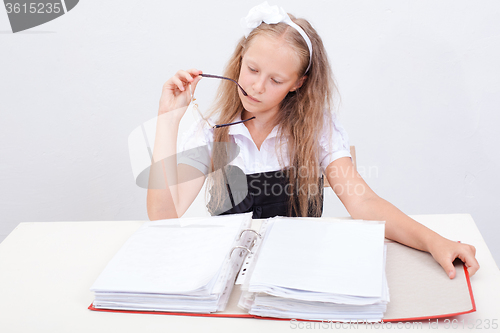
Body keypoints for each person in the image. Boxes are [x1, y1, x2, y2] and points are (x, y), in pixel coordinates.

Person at [146, 2, 479, 279]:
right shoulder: (212, 131)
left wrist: (434, 241)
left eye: (276, 79)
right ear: (239, 60)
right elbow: (162, 216)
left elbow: (364, 203)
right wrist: (168, 119)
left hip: (298, 274)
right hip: (229, 280)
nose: (258, 86)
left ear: (298, 83)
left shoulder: (315, 132)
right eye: (252, 69)